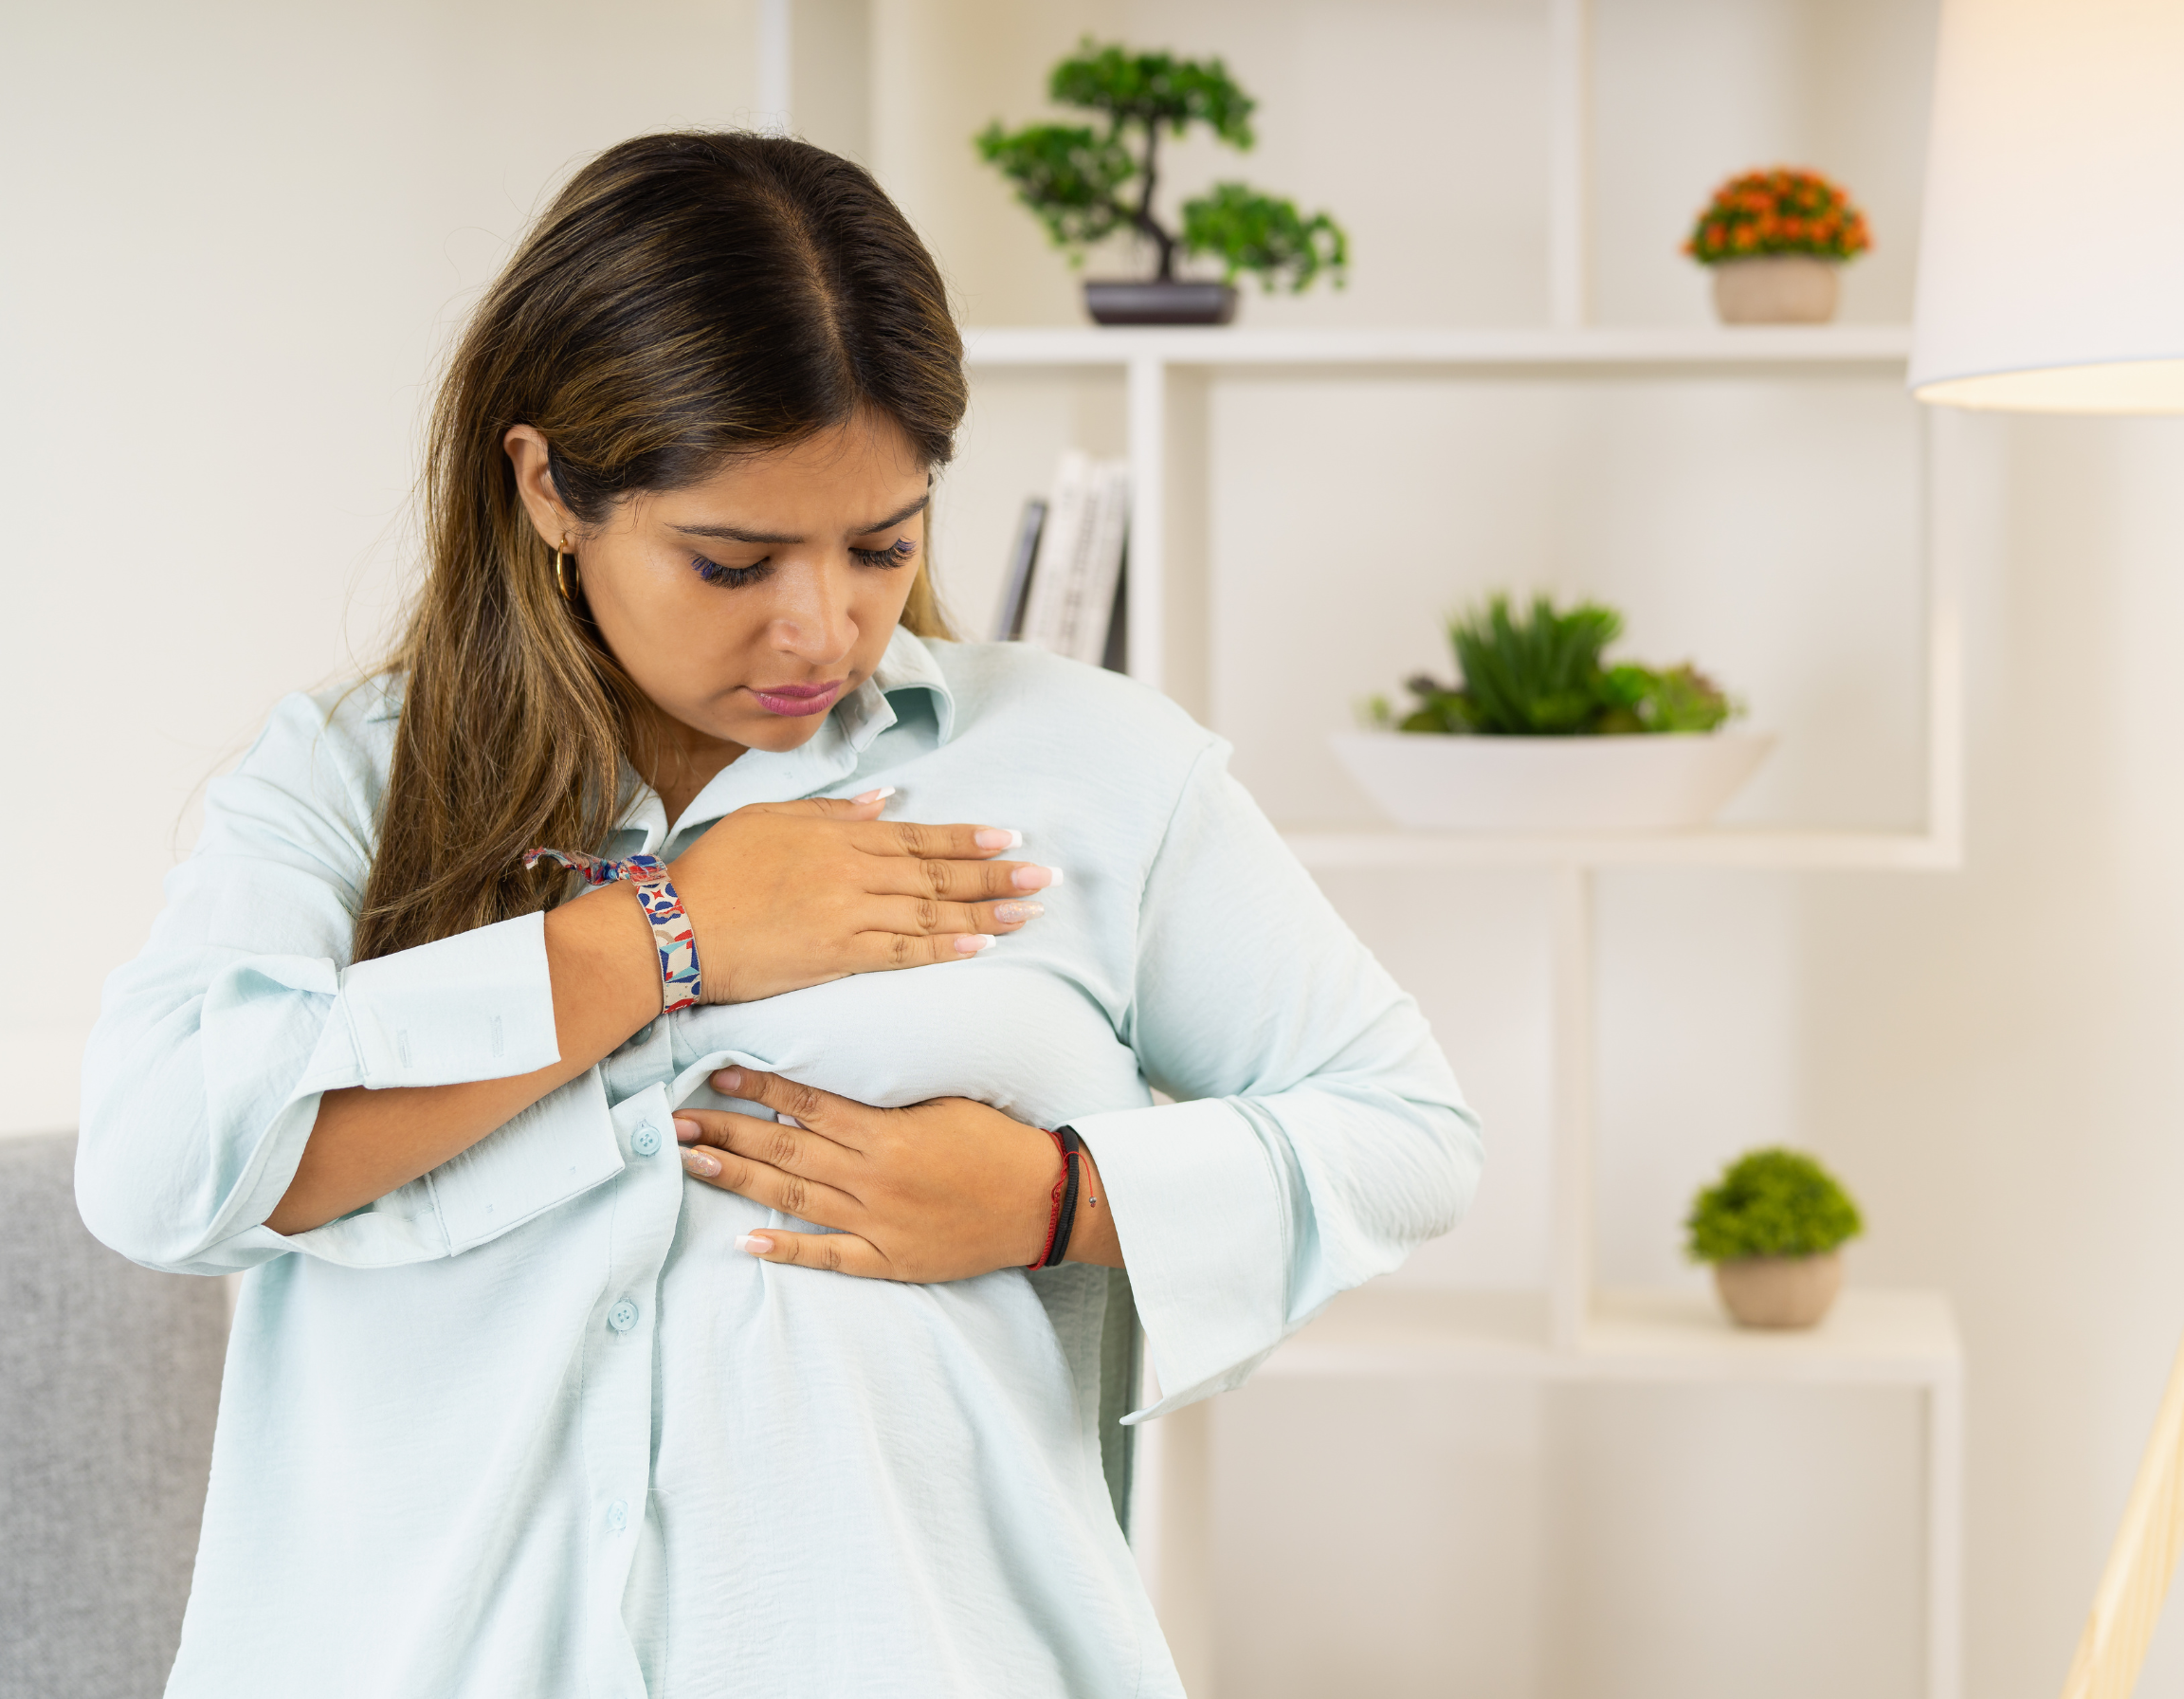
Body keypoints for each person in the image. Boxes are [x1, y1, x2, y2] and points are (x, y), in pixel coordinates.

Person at [77, 131, 1482, 1699]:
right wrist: (664, 937)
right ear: (548, 485)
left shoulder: (1096, 769)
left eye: (884, 543)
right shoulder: (347, 779)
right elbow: (159, 1173)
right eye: (733, 560)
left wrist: (1047, 1196)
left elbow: (1407, 1132)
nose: (824, 624)